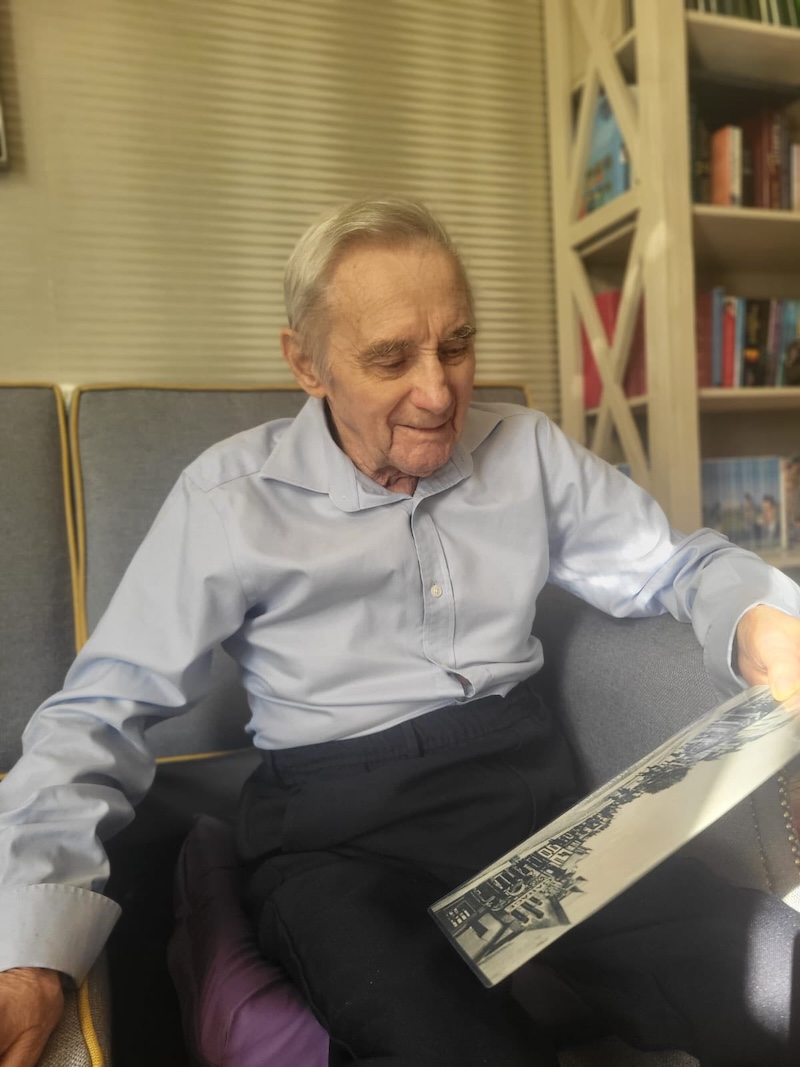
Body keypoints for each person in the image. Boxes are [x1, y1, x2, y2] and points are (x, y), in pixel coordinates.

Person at [2, 197, 800, 1067]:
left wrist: (759, 616)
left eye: (456, 345)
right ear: (306, 363)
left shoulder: (527, 449)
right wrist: (30, 943)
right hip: (336, 839)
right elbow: (100, 713)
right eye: (390, 358)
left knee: (772, 976)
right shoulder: (228, 500)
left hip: (532, 804)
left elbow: (677, 562)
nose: (438, 390)